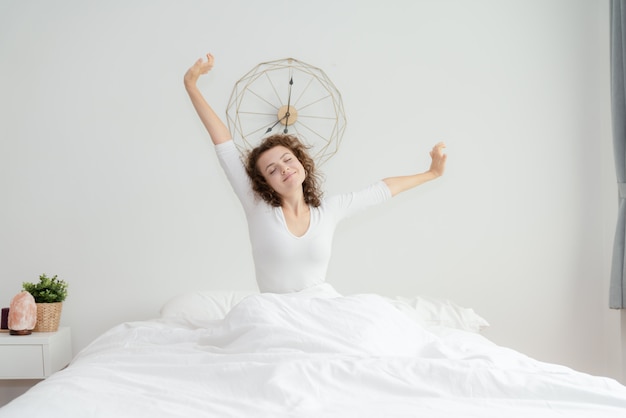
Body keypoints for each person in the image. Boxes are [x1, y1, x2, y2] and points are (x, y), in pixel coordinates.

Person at [184, 53, 447, 294]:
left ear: (301, 163)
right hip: (274, 314)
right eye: (272, 169)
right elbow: (224, 146)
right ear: (265, 183)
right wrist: (191, 86)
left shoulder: (329, 211)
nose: (284, 168)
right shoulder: (257, 207)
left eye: (287, 159)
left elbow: (383, 189)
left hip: (320, 308)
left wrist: (431, 173)